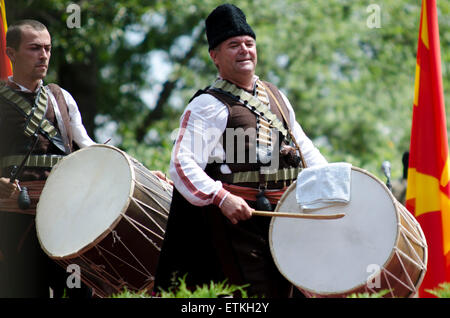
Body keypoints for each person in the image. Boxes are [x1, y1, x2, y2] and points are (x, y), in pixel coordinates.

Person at [154, 4, 327, 298]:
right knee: (253, 298)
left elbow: (306, 149)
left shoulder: (276, 96)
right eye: (233, 45)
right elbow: (181, 164)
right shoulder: (208, 105)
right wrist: (221, 198)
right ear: (215, 56)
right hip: (238, 225)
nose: (244, 50)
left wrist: (336, 185)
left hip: (284, 217)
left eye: (249, 43)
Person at [0, 19, 96, 298]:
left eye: (48, 48)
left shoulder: (60, 97)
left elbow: (88, 146)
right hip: (14, 215)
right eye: (34, 48)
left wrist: (138, 171)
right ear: (11, 54)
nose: (43, 55)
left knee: (82, 291)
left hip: (64, 212)